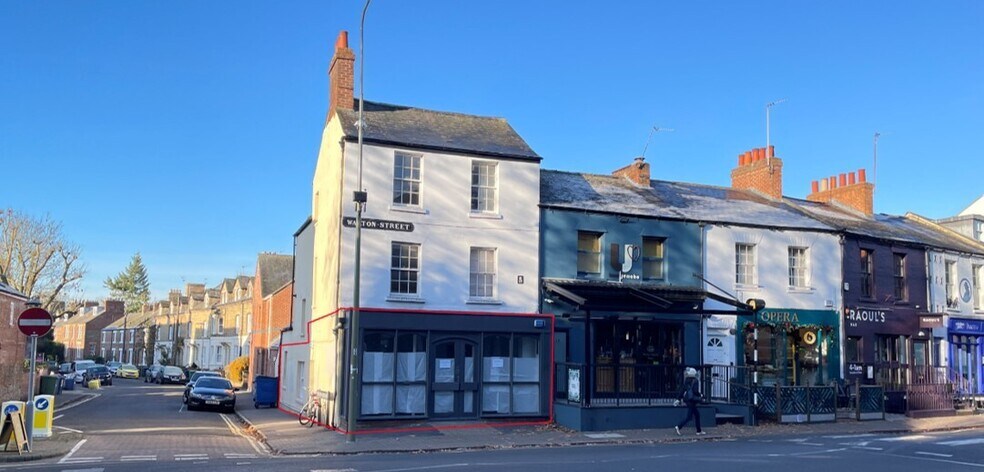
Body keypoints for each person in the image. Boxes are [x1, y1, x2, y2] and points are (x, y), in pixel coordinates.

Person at [674, 367, 705, 436]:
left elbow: (682, 390)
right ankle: (678, 426)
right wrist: (701, 395)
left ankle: (699, 430)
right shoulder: (695, 381)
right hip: (692, 400)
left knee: (696, 415)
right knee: (689, 417)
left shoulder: (686, 381)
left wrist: (678, 399)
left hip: (688, 400)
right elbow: (695, 391)